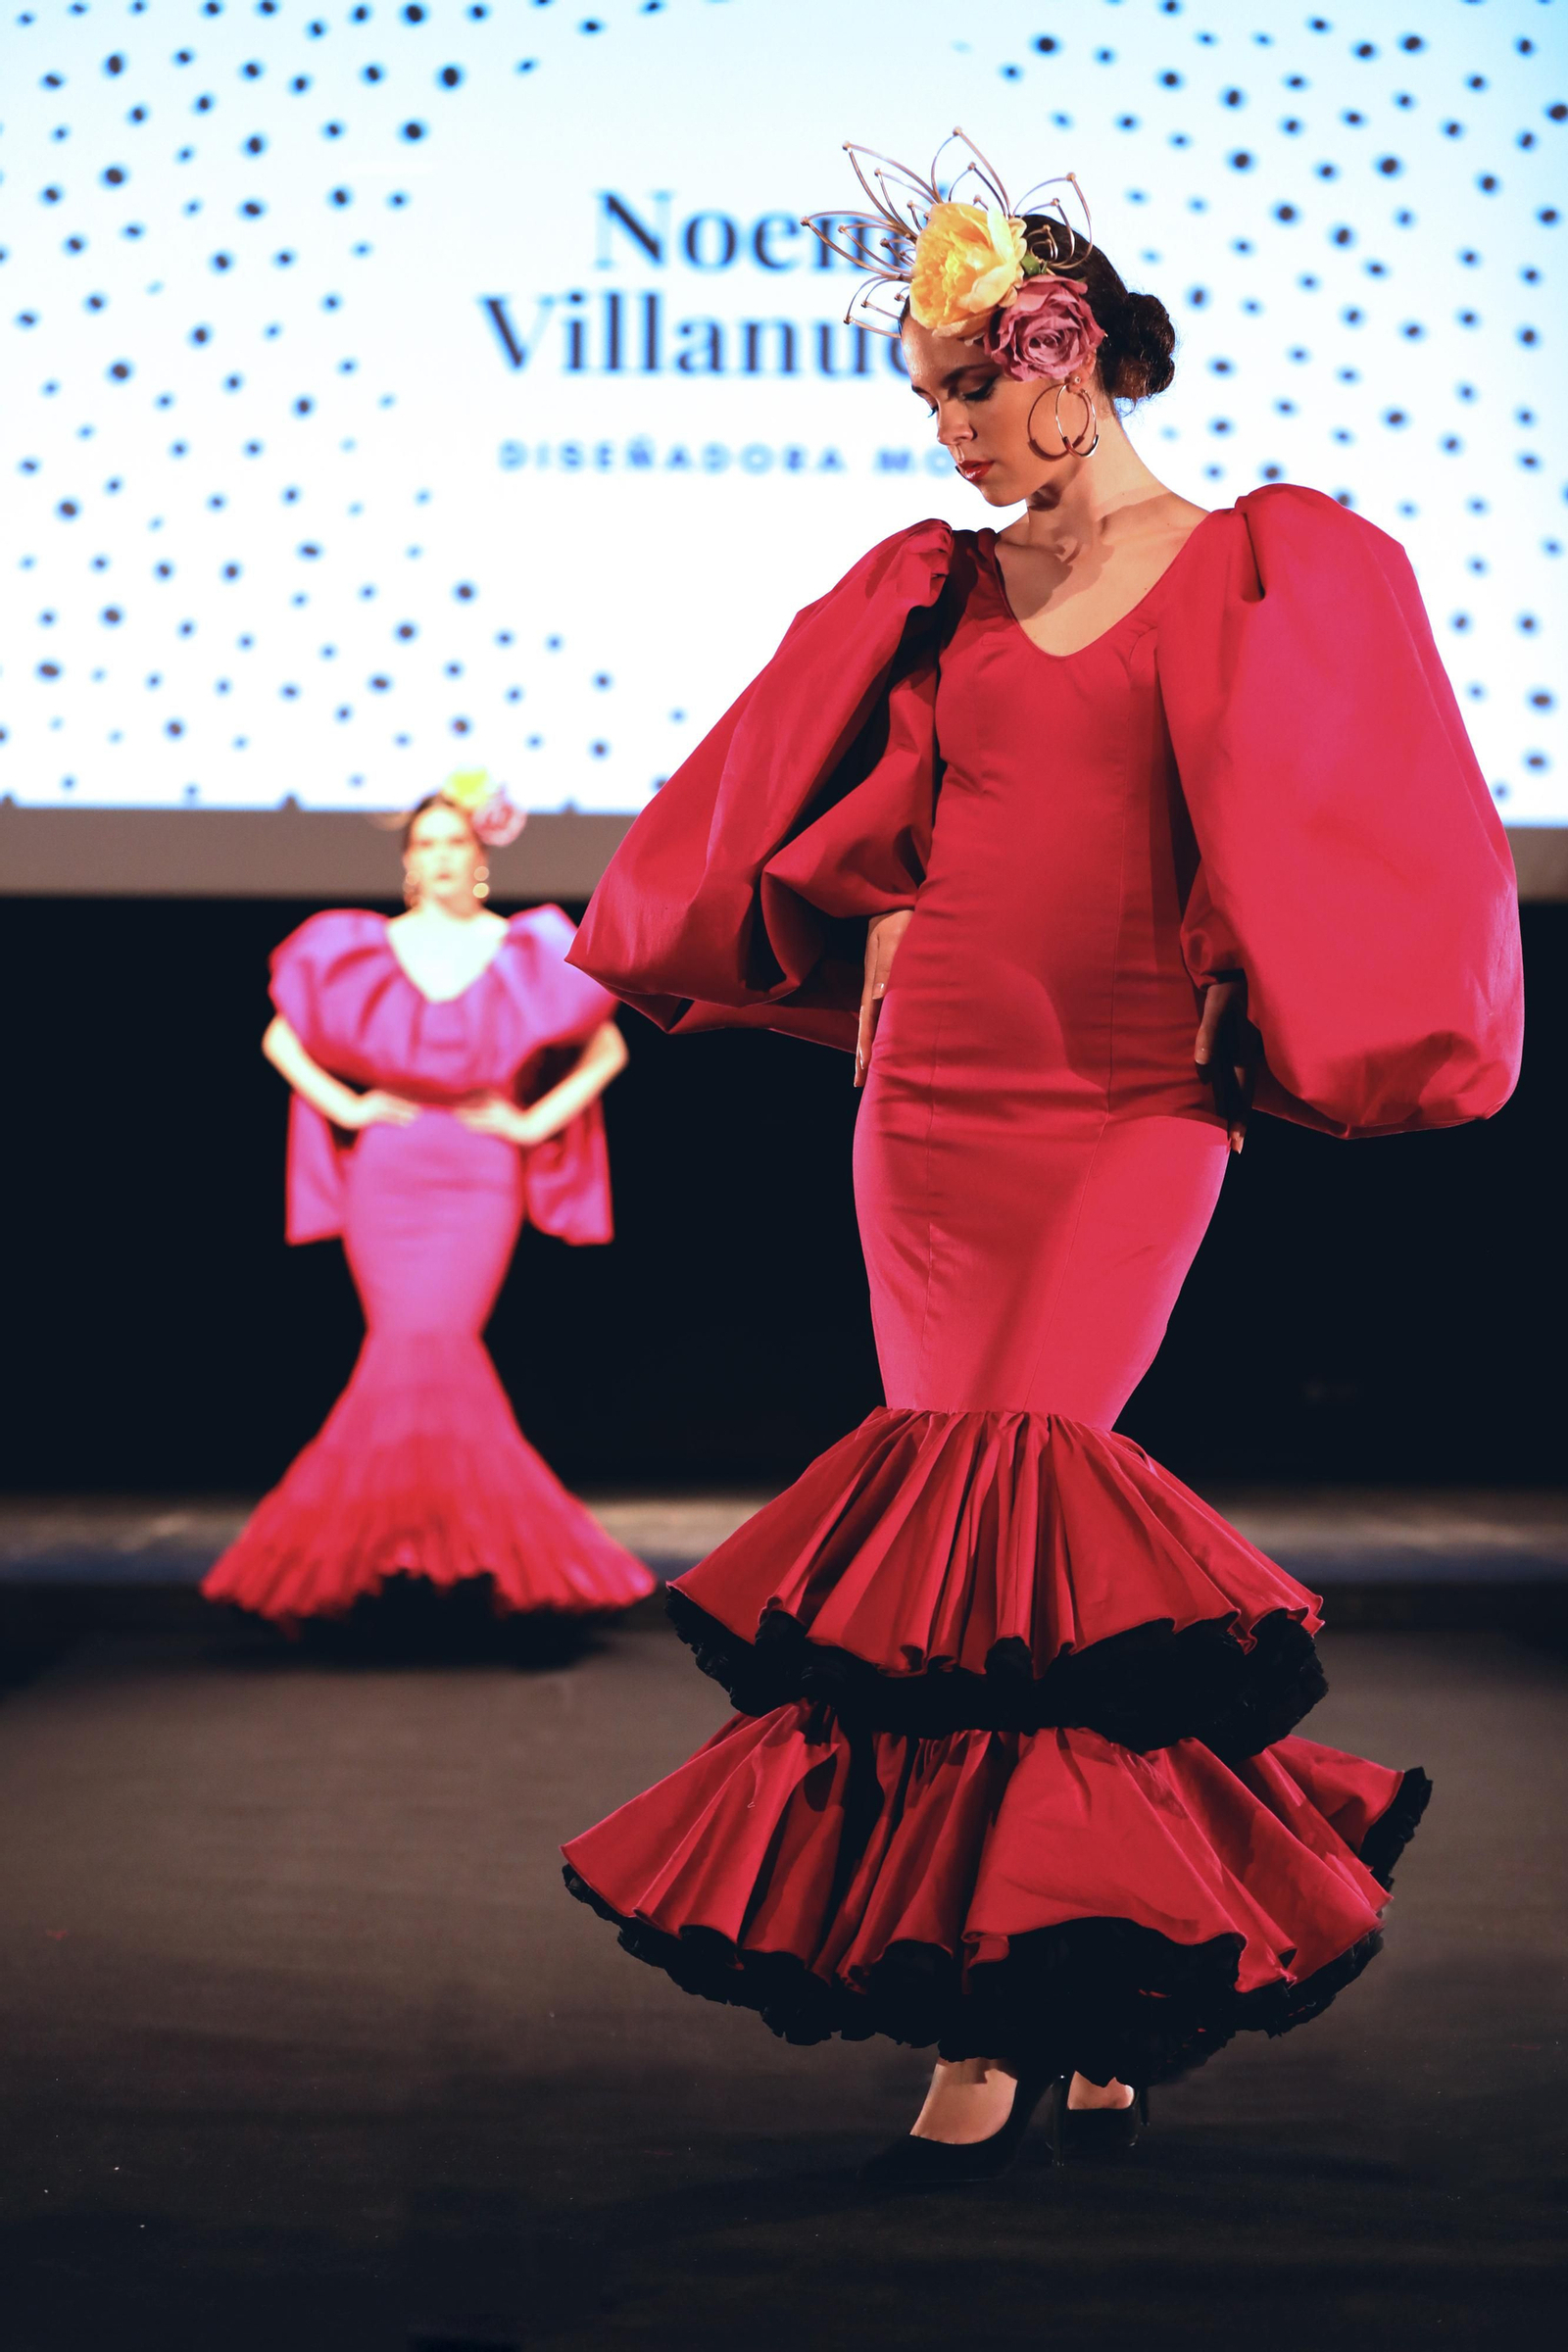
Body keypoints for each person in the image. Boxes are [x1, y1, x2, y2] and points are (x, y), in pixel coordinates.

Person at [557, 138, 1523, 2182]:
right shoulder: (933, 587)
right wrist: (889, 1002)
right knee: (971, 1558)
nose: (944, 434)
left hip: (1122, 1101)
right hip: (928, 1099)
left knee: (1025, 1513)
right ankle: (1078, 1992)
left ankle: (1015, 1999)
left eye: (962, 393)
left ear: (1062, 366)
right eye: (924, 400)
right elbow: (852, 830)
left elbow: (1349, 823)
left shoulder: (1263, 563)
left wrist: (1258, 1003)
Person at [203, 773, 654, 1630]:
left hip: (479, 1172)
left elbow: (607, 1052)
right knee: (407, 1347)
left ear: (479, 857)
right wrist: (350, 1107)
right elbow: (279, 1036)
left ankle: (397, 1554)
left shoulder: (522, 948)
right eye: (426, 844)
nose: (440, 857)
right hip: (390, 1171)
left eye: (454, 842)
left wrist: (528, 1125)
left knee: (436, 1344)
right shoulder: (361, 947)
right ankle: (428, 1553)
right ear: (408, 862)